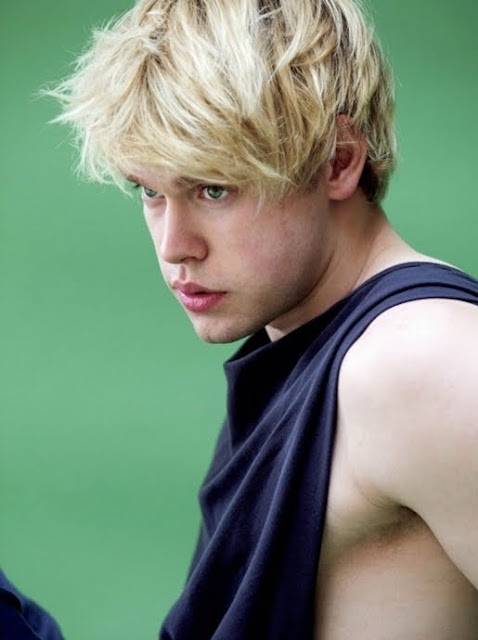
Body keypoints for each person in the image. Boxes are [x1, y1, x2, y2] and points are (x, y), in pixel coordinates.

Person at [47, 0, 478, 637]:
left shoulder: (422, 360)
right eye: (151, 191)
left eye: (213, 189)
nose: (174, 245)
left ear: (338, 160)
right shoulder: (309, 346)